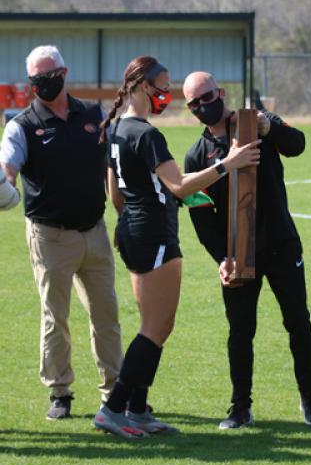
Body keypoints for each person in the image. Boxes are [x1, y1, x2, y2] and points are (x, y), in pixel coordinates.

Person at [93, 56, 260, 439]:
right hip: (153, 234)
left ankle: (136, 408)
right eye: (162, 87)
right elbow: (180, 186)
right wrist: (229, 164)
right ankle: (114, 409)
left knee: (154, 326)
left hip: (134, 231)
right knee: (156, 327)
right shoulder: (146, 134)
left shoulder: (116, 128)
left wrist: (138, 215)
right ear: (139, 85)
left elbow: (115, 195)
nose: (166, 94)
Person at [183, 71, 311, 429]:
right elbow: (202, 219)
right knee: (240, 330)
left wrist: (271, 128)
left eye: (207, 96)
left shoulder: (256, 124)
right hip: (237, 255)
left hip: (281, 244)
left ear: (221, 92)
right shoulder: (196, 156)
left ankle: (309, 398)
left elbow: (298, 143)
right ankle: (240, 407)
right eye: (194, 103)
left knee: (298, 321)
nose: (203, 106)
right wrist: (222, 258)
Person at [0, 45, 123, 420]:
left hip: (95, 229)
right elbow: (9, 168)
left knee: (107, 314)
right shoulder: (21, 124)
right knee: (56, 317)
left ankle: (115, 392)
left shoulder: (92, 113)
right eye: (36, 80)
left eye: (48, 77)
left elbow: (109, 167)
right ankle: (60, 391)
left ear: (64, 73)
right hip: (50, 235)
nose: (42, 84)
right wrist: (6, 186)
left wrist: (122, 214)